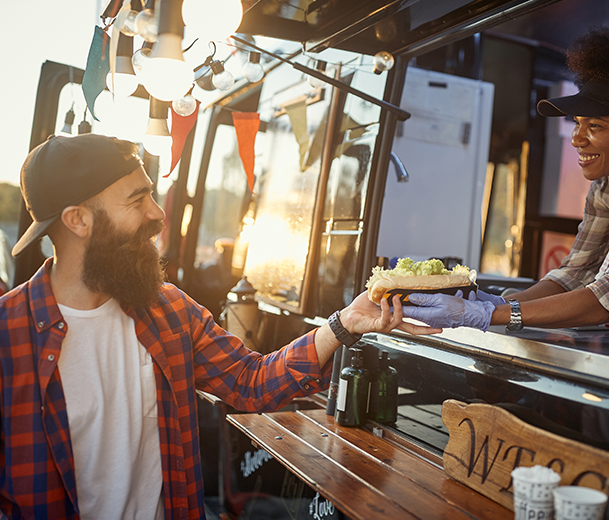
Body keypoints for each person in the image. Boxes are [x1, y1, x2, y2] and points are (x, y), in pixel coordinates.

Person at [0, 133, 440, 519]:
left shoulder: (165, 308)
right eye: (137, 200)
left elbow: (251, 382)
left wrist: (344, 324)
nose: (157, 215)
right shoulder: (8, 337)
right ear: (78, 220)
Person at [403, 24, 609, 340]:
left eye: (595, 125)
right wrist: (497, 303)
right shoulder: (607, 185)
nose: (577, 139)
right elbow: (576, 274)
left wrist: (492, 315)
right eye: (577, 122)